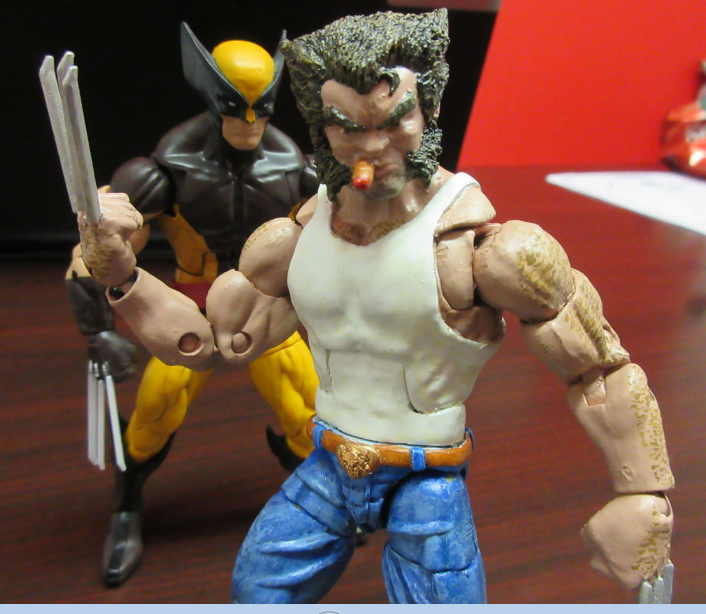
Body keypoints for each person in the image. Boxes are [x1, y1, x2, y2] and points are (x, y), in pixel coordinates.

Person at [76, 10, 674, 604]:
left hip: (427, 477)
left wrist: (643, 495)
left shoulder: (486, 253)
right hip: (330, 466)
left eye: (393, 122)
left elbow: (600, 367)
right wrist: (124, 274)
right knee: (256, 589)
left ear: (427, 111)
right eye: (347, 127)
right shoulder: (295, 237)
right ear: (321, 128)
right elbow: (209, 343)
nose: (372, 147)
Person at [64, 22, 319, 587]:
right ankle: (126, 506)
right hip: (193, 310)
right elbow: (98, 256)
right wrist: (98, 327)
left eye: (261, 108)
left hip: (264, 310)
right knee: (156, 410)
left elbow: (338, 236)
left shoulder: (297, 168)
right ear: (210, 95)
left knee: (308, 409)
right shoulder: (164, 170)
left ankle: (325, 505)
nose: (249, 122)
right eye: (235, 107)